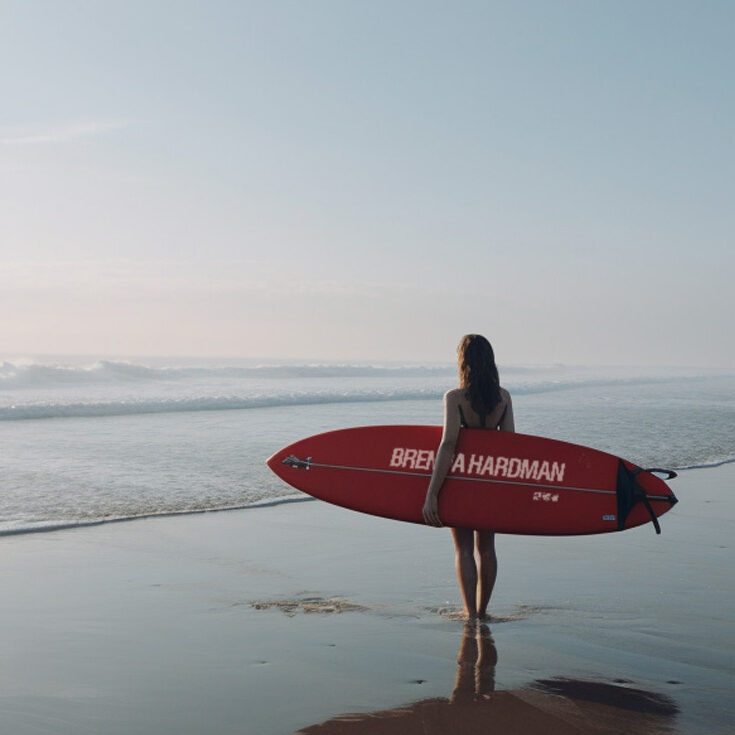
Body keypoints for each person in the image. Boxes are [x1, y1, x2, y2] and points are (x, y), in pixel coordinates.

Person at [422, 334, 514, 621]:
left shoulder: (455, 398)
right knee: (486, 548)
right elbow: (510, 444)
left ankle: (470, 612)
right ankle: (483, 611)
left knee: (462, 548)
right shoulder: (503, 398)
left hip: (459, 482)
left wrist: (432, 493)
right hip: (489, 483)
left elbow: (449, 444)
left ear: (464, 362)